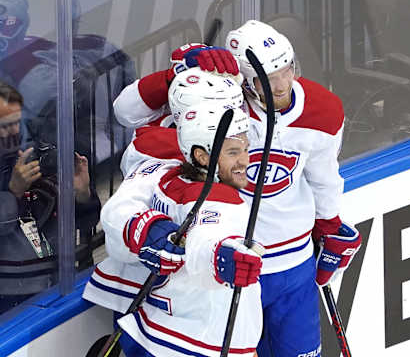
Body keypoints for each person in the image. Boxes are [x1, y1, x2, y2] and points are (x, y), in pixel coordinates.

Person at [111, 20, 362, 356]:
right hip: (237, 263)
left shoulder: (323, 108)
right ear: (244, 80)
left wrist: (329, 224)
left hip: (294, 261)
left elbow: (324, 176)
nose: (282, 84)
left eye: (287, 71)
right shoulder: (219, 105)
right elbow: (125, 112)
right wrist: (175, 77)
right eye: (268, 78)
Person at [86, 102, 262, 356]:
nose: (245, 160)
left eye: (245, 149)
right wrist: (220, 257)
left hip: (156, 323)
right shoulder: (221, 199)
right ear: (202, 156)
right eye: (233, 152)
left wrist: (144, 228)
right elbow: (208, 237)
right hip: (197, 338)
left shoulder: (169, 176)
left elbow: (119, 210)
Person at [0, 80, 101, 314]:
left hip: (57, 279)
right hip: (9, 292)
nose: (13, 132)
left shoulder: (38, 156)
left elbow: (85, 223)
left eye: (16, 123)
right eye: (4, 126)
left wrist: (81, 193)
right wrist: (14, 192)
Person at [0, 0, 136, 161]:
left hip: (87, 145)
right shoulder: (27, 59)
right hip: (98, 139)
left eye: (5, 24)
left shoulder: (26, 64)